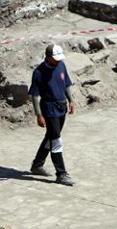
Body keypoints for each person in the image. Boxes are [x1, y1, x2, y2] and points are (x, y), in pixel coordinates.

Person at [28, 44, 76, 187]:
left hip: (62, 107)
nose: (58, 61)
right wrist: (38, 114)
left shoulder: (61, 66)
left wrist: (71, 100)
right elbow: (35, 95)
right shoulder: (38, 72)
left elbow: (66, 84)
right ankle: (61, 174)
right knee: (56, 140)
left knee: (51, 136)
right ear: (48, 57)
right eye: (55, 59)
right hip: (49, 109)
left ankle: (37, 165)